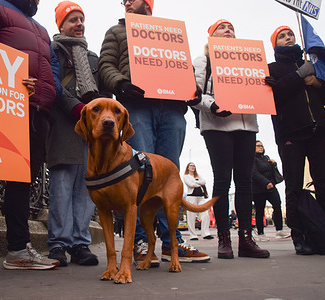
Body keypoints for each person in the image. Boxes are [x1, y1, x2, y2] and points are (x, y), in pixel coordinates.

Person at [99, 0, 210, 266]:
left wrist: (193, 89)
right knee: (137, 173)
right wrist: (121, 84)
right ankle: (138, 241)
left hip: (172, 110)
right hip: (137, 108)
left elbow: (185, 69)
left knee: (169, 173)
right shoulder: (117, 31)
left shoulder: (169, 33)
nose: (126, 2)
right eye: (123, 0)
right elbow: (105, 66)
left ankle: (172, 243)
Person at [0, 0, 62, 277]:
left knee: (23, 181)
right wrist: (12, 79)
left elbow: (52, 68)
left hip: (37, 109)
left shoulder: (42, 30)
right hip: (1, 103)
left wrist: (50, 90)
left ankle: (18, 249)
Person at [193, 19, 270, 259]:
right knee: (223, 180)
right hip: (217, 126)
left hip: (246, 125)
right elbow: (193, 94)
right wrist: (213, 106)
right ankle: (223, 238)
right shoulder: (203, 61)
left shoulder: (249, 60)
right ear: (212, 36)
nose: (228, 31)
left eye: (232, 28)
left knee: (245, 181)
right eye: (222, 28)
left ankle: (246, 238)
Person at [46, 1, 105, 267]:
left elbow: (104, 93)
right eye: (72, 20)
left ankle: (80, 244)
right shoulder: (52, 50)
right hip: (64, 124)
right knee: (61, 187)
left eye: (81, 19)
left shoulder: (93, 58)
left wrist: (101, 118)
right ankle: (58, 244)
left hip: (91, 131)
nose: (79, 24)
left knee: (85, 188)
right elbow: (53, 84)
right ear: (61, 24)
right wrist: (78, 108)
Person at [266, 26, 325, 255]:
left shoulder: (312, 63)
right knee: (294, 186)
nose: (288, 37)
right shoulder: (272, 68)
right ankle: (299, 235)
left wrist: (316, 82)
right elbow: (275, 93)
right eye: (282, 36)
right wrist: (298, 75)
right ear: (275, 43)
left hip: (319, 131)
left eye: (290, 34)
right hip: (291, 134)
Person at [252, 140, 290, 241]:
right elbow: (254, 173)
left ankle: (279, 230)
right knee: (260, 210)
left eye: (261, 146)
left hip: (271, 187)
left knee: (277, 205)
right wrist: (265, 183)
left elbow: (272, 171)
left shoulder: (266, 158)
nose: (260, 147)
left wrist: (274, 164)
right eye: (258, 146)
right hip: (259, 189)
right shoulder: (252, 159)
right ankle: (260, 233)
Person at [183, 163, 213, 241]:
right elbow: (191, 185)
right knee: (191, 216)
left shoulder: (198, 175)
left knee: (205, 214)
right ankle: (193, 235)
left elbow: (204, 182)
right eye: (191, 166)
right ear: (188, 168)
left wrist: (196, 182)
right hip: (191, 197)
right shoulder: (185, 176)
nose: (193, 167)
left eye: (194, 166)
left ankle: (206, 233)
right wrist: (199, 183)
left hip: (201, 197)